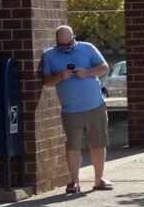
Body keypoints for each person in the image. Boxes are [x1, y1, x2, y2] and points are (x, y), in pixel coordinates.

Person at [42, 25, 113, 193]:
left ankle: (99, 179)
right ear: (56, 41)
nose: (66, 48)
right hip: (70, 110)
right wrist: (60, 76)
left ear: (74, 36)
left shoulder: (87, 48)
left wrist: (87, 72)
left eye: (69, 43)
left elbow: (104, 67)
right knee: (73, 145)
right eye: (62, 45)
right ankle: (74, 181)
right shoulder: (49, 55)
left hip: (95, 105)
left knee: (98, 142)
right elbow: (46, 82)